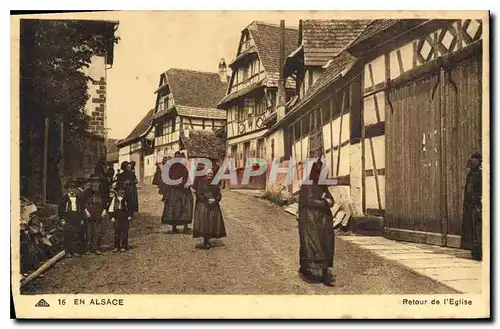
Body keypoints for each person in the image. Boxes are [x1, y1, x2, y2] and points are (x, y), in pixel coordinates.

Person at [297, 159, 335, 286]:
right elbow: (309, 201)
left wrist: (329, 201)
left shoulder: (322, 186)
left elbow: (331, 199)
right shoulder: (307, 185)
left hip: (323, 222)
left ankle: (324, 272)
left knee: (325, 246)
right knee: (311, 246)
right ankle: (310, 273)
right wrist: (325, 203)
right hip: (310, 221)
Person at [193, 168, 227, 249]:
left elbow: (219, 194)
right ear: (205, 174)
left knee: (212, 223)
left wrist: (215, 199)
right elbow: (198, 193)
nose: (210, 175)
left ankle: (208, 240)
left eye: (211, 174)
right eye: (208, 174)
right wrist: (206, 200)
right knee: (204, 223)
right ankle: (205, 241)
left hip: (213, 205)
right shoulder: (201, 182)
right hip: (203, 205)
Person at [162, 152, 192, 233]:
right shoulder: (173, 168)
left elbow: (186, 177)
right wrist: (181, 184)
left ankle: (180, 227)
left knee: (181, 208)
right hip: (177, 191)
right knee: (179, 208)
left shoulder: (180, 167)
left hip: (180, 191)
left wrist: (186, 184)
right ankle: (177, 228)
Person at [460, 152, 482, 261]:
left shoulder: (475, 174)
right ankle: (476, 251)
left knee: (476, 228)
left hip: (475, 203)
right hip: (475, 203)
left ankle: (477, 251)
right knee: (476, 228)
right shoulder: (475, 173)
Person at [58, 180, 85, 258]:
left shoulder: (78, 197)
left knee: (76, 234)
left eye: (73, 188)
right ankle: (68, 252)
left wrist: (81, 218)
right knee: (68, 235)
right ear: (67, 189)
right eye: (70, 188)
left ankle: (75, 251)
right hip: (67, 217)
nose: (71, 189)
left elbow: (81, 208)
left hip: (76, 216)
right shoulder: (64, 198)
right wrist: (62, 219)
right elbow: (60, 209)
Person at [83, 175, 108, 255]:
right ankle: (88, 249)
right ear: (91, 183)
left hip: (98, 214)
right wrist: (86, 212)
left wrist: (104, 210)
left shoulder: (102, 192)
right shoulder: (86, 192)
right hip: (89, 214)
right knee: (89, 232)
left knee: (98, 232)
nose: (95, 184)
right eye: (93, 182)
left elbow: (105, 203)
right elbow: (83, 203)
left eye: (97, 182)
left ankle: (97, 248)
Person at [108, 185, 132, 252]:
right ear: (117, 192)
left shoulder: (127, 199)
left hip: (125, 216)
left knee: (125, 231)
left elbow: (130, 208)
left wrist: (129, 215)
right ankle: (116, 246)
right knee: (117, 231)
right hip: (117, 216)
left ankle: (124, 246)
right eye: (120, 190)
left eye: (123, 190)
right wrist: (112, 217)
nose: (121, 192)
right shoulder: (114, 199)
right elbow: (110, 209)